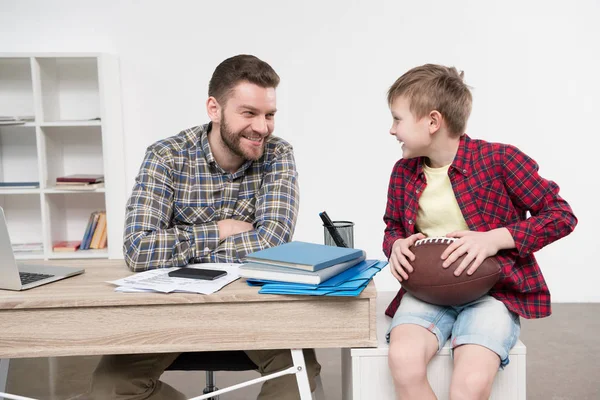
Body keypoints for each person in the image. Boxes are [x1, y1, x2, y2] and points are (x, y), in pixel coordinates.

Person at [73, 54, 321, 400]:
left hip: (252, 305)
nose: (262, 127)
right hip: (170, 309)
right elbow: (139, 249)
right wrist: (219, 229)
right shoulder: (166, 156)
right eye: (249, 113)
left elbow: (271, 241)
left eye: (269, 115)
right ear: (214, 109)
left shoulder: (278, 155)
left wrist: (178, 245)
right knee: (110, 388)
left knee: (300, 378)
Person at [382, 64, 576, 399]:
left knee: (469, 384)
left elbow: (561, 215)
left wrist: (495, 239)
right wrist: (396, 245)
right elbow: (393, 227)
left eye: (398, 119)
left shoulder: (500, 160)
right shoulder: (403, 172)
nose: (391, 129)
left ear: (432, 122)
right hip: (426, 294)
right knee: (403, 361)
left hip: (492, 295)